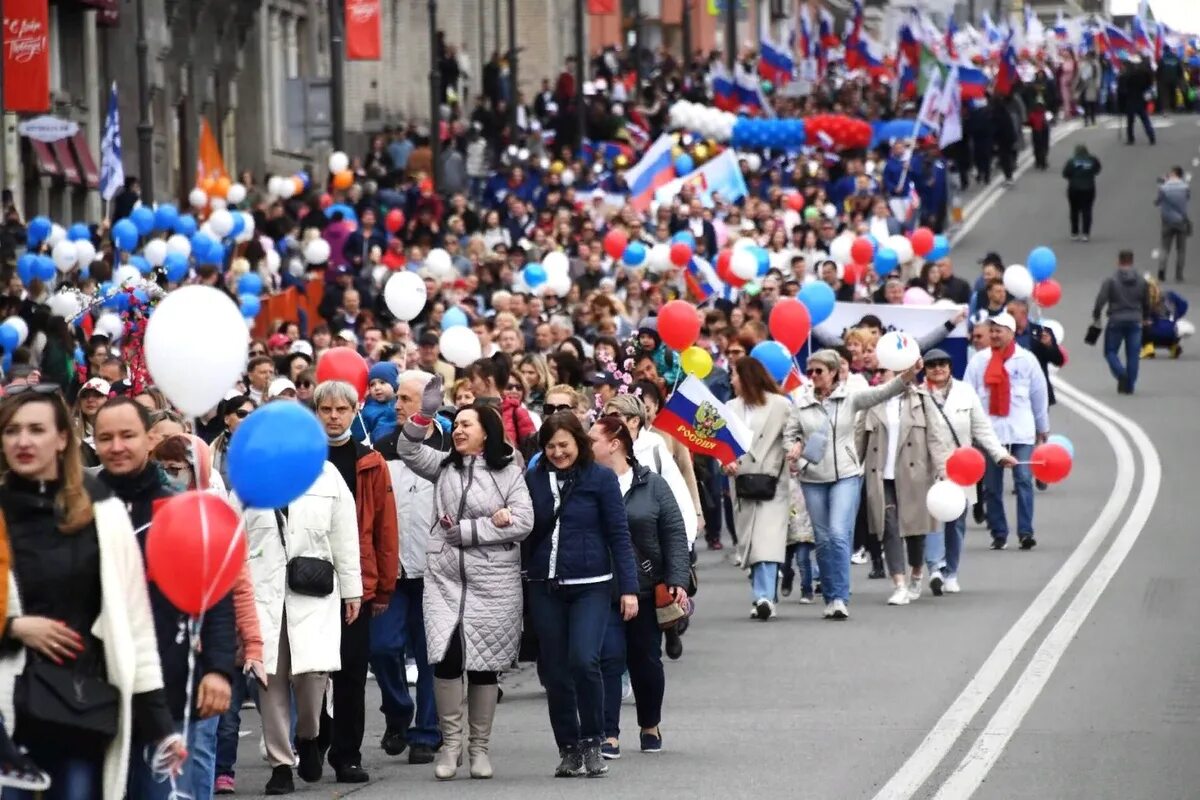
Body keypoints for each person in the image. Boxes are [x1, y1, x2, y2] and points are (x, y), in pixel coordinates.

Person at [0, 389, 186, 799]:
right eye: (12, 430)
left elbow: (134, 627)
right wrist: (14, 626)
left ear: (63, 438)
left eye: (36, 429)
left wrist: (160, 728)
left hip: (80, 711)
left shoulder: (103, 514)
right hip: (7, 717)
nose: (23, 441)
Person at [90, 398, 235, 800]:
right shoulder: (79, 507)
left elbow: (216, 594)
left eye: (127, 435)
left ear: (149, 439)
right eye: (106, 437)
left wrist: (219, 669)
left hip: (168, 688)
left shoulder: (180, 507)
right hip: (93, 692)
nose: (117, 446)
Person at [392, 376, 534, 781]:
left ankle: (479, 748)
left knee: (485, 665)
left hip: (494, 582)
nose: (458, 430)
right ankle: (450, 744)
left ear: (486, 433)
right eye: (456, 425)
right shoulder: (444, 466)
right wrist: (425, 415)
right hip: (444, 580)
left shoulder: (508, 471)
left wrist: (474, 531)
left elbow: (524, 520)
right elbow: (406, 448)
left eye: (466, 425)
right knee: (447, 657)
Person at [237, 455, 362, 794]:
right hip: (263, 593)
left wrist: (352, 590)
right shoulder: (249, 477)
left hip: (313, 592)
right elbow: (234, 540)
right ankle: (280, 765)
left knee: (313, 675)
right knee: (270, 679)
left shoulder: (327, 474)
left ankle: (309, 735)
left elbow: (345, 536)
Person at [524, 412, 638, 778]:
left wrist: (630, 589)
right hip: (545, 585)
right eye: (551, 446)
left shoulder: (600, 479)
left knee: (584, 661)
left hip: (592, 584)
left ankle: (593, 740)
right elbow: (526, 531)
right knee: (555, 671)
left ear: (579, 443)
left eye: (564, 445)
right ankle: (568, 747)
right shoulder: (533, 479)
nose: (558, 452)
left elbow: (620, 535)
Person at [784, 349, 918, 621]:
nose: (813, 377)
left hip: (845, 474)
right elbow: (790, 435)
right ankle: (830, 596)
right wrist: (794, 451)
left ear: (833, 372)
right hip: (812, 477)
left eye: (819, 371)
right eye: (810, 372)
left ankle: (841, 599)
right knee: (821, 540)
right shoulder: (801, 402)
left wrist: (908, 375)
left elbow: (883, 392)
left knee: (838, 534)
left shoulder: (850, 398)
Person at [313, 380, 399, 784]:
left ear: (354, 412)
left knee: (350, 672)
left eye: (341, 410)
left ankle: (347, 754)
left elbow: (385, 526)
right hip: (308, 580)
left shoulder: (371, 461)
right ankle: (313, 741)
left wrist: (382, 587)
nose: (333, 417)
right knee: (311, 672)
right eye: (326, 409)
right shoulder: (302, 459)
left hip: (357, 583)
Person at [589, 415, 688, 759]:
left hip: (646, 587)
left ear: (614, 444)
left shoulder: (652, 484)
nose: (587, 448)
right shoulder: (588, 483)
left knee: (645, 660)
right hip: (601, 588)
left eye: (593, 441)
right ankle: (608, 733)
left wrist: (677, 579)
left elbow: (674, 532)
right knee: (608, 657)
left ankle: (650, 723)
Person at [372, 371, 448, 765]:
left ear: (428, 403)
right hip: (393, 572)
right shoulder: (381, 448)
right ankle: (398, 711)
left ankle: (427, 731)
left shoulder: (450, 447)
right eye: (397, 397)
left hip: (436, 572)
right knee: (382, 647)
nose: (396, 404)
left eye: (406, 398)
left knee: (432, 654)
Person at [855, 367, 954, 606]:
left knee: (915, 531)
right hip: (881, 475)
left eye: (893, 371)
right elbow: (859, 438)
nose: (886, 376)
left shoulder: (922, 400)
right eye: (884, 371)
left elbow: (936, 437)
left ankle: (917, 574)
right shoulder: (873, 401)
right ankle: (899, 583)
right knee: (889, 527)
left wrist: (944, 471)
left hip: (915, 475)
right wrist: (850, 469)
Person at [920, 349, 1015, 595]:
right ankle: (935, 569)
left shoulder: (965, 392)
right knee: (932, 519)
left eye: (942, 363)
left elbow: (982, 429)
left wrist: (1000, 455)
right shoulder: (917, 394)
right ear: (925, 369)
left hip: (962, 468)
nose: (937, 368)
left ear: (950, 366)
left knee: (956, 522)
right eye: (931, 365)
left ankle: (951, 572)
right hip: (929, 467)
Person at [963, 312, 1050, 550]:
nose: (994, 334)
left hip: (1021, 431)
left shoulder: (1027, 360)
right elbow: (967, 396)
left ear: (1011, 333)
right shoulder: (979, 361)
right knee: (992, 486)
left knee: (1023, 480)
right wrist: (968, 429)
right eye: (992, 330)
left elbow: (1038, 396)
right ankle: (999, 533)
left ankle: (1025, 532)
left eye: (999, 330)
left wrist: (1042, 429)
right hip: (990, 434)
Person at [724, 358, 792, 620]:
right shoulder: (730, 408)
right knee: (750, 542)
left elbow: (791, 436)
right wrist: (725, 461)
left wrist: (792, 455)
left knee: (767, 540)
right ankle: (764, 594)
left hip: (771, 480)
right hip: (741, 480)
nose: (732, 381)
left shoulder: (780, 405)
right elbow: (722, 443)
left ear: (747, 376)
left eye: (734, 375)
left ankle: (763, 596)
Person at [1092, 250, 1151, 395]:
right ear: (1132, 261)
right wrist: (1145, 317)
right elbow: (1146, 301)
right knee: (1133, 354)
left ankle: (1121, 375)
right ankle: (1129, 385)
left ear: (1119, 261)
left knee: (1110, 351)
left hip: (1116, 320)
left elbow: (1101, 299)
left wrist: (1096, 314)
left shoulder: (1111, 280)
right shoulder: (1142, 281)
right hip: (1135, 320)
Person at [1155, 166, 1190, 282]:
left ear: (1174, 174)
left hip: (1167, 221)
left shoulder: (1164, 187)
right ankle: (1179, 275)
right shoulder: (1185, 187)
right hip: (1181, 221)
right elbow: (1187, 198)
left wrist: (1162, 184)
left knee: (1165, 248)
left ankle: (1161, 272)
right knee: (1181, 249)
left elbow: (1157, 201)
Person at [1061, 144, 1101, 242]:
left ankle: (1074, 232)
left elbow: (1065, 174)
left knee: (1074, 210)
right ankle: (1085, 233)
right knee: (1087, 210)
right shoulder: (1092, 160)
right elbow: (1097, 170)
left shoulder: (1071, 161)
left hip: (1074, 188)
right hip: (1089, 188)